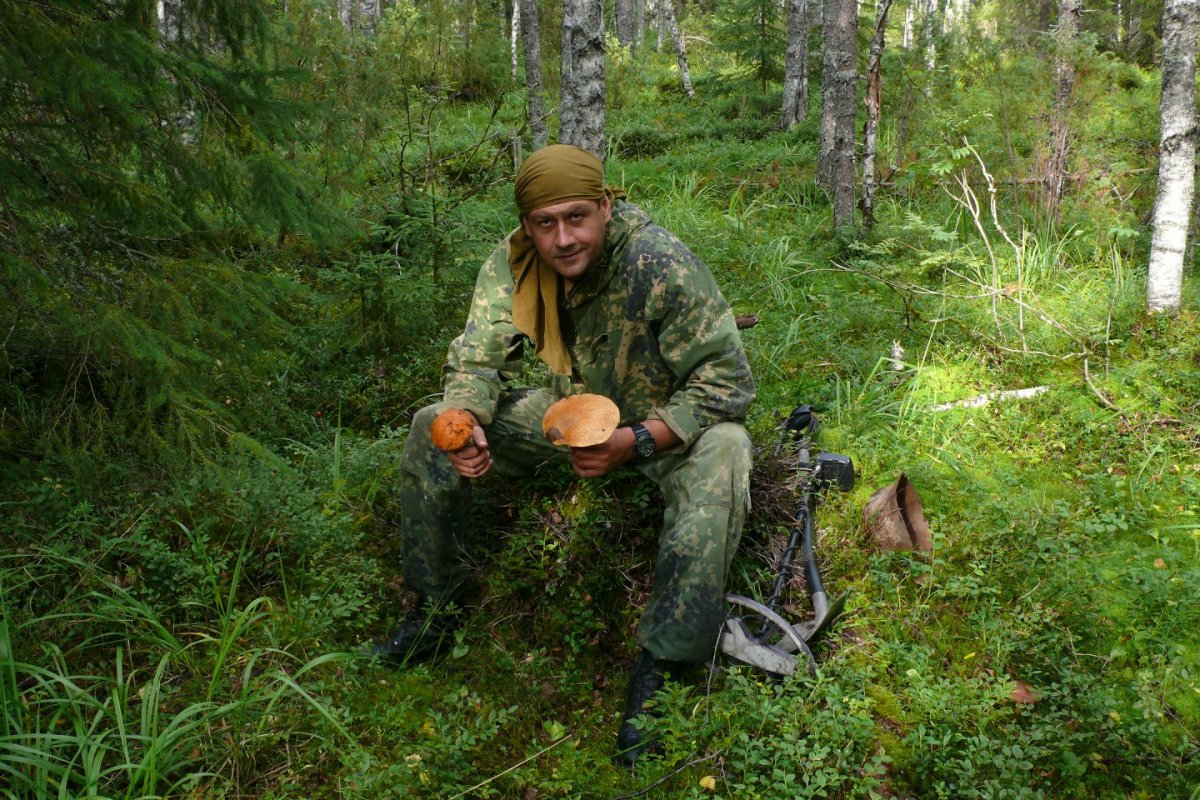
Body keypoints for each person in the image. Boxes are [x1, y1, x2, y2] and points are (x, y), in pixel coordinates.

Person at [374, 144, 755, 768]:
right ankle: (435, 612)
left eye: (576, 217)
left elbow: (727, 381)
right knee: (429, 426)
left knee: (728, 450)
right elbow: (476, 358)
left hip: (656, 427)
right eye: (544, 223)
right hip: (568, 417)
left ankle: (664, 666)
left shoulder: (659, 263)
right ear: (527, 225)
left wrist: (635, 440)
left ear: (605, 206)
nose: (563, 239)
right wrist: (467, 421)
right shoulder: (516, 262)